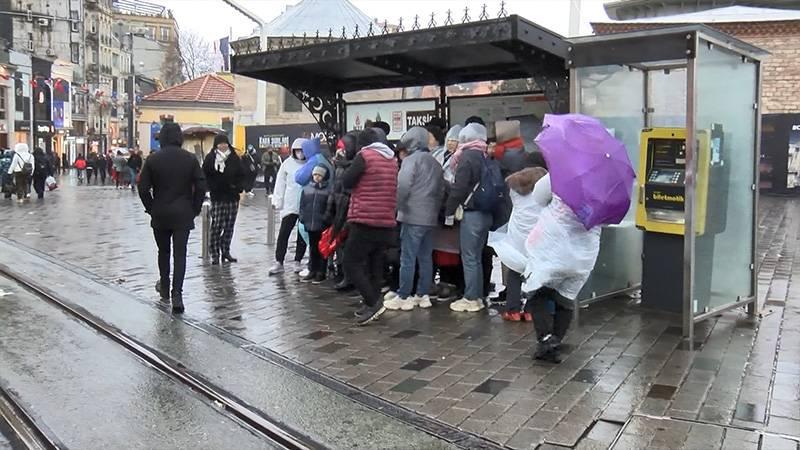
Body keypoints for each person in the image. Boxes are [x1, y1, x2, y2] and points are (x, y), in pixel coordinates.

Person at [138, 122, 207, 313]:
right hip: (183, 212)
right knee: (180, 254)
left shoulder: (153, 160)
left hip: (160, 212)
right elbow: (201, 186)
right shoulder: (190, 159)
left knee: (163, 252)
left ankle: (165, 289)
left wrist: (151, 207)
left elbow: (143, 188)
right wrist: (194, 208)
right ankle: (177, 294)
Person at [340, 128, 398, 325]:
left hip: (365, 218)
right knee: (375, 263)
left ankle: (373, 302)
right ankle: (371, 303)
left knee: (351, 262)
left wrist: (344, 165)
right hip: (385, 220)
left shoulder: (365, 155)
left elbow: (347, 181)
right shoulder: (391, 158)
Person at [384, 126, 444, 312]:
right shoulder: (434, 162)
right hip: (430, 217)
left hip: (412, 216)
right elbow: (441, 189)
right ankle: (422, 295)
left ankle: (404, 296)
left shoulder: (411, 161)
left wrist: (397, 207)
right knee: (425, 258)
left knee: (408, 258)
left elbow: (402, 186)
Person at [489, 168, 548, 321]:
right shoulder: (543, 192)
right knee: (535, 272)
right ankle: (529, 311)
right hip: (537, 236)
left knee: (515, 271)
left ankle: (513, 310)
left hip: (517, 235)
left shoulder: (514, 191)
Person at [445, 123, 492, 313]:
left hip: (472, 213)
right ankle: (478, 296)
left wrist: (448, 210)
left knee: (470, 257)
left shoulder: (467, 157)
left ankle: (471, 297)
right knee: (477, 256)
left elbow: (459, 188)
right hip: (486, 212)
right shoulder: (485, 154)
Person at [202, 134, 244, 265]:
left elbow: (242, 174)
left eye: (225, 143)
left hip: (232, 196)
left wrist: (238, 187)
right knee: (217, 225)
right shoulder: (210, 158)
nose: (223, 145)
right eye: (220, 143)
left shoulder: (234, 158)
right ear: (216, 145)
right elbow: (205, 175)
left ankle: (225, 250)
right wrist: (212, 188)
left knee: (229, 226)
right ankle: (214, 252)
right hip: (218, 197)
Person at [269, 138, 307, 275]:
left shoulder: (310, 163)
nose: (300, 153)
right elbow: (280, 183)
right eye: (297, 150)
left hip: (305, 204)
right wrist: (277, 201)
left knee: (302, 235)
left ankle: (298, 261)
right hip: (290, 204)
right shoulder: (287, 164)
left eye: (302, 150)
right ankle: (279, 261)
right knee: (284, 233)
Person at [299, 165, 331, 284]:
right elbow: (302, 205)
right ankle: (312, 269)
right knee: (312, 248)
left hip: (322, 224)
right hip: (310, 223)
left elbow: (329, 207)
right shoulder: (306, 189)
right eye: (315, 175)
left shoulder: (327, 191)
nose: (317, 177)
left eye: (320, 175)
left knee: (322, 249)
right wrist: (302, 218)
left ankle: (321, 272)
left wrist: (326, 220)